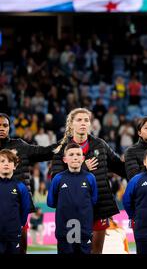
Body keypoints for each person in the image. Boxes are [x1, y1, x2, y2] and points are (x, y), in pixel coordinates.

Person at [50, 108, 126, 254]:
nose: (83, 123)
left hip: (100, 206)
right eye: (79, 120)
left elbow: (120, 167)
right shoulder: (61, 148)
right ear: (71, 124)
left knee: (96, 252)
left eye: (86, 120)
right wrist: (83, 167)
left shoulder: (100, 145)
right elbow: (57, 180)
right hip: (73, 209)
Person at [0, 113, 55, 253]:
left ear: (9, 128)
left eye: (5, 125)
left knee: (21, 249)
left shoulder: (19, 145)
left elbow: (45, 152)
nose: (1, 128)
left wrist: (65, 143)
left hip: (17, 207)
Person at [47, 143, 98, 254]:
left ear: (83, 158)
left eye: (78, 154)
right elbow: (51, 202)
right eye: (71, 154)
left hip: (84, 229)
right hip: (65, 230)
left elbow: (94, 200)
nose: (75, 157)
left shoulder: (90, 177)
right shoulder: (58, 178)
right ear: (65, 159)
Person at [0, 149, 31, 254]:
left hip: (13, 235)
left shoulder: (20, 187)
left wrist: (18, 226)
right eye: (2, 161)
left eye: (9, 161)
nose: (6, 164)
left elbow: (25, 210)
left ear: (15, 166)